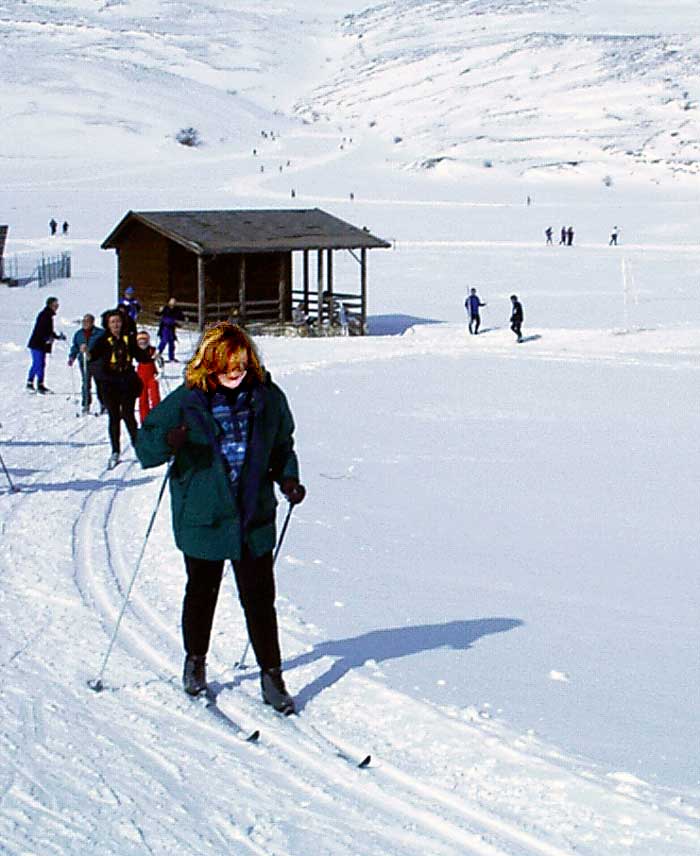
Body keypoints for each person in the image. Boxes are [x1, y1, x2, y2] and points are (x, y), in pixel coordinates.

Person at [136, 322, 306, 713]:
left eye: (242, 363)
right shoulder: (186, 401)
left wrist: (289, 478)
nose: (236, 371)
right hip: (204, 515)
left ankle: (272, 675)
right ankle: (195, 662)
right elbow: (147, 445)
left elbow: (281, 445)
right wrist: (168, 441)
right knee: (202, 592)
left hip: (253, 516)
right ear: (209, 362)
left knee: (260, 600)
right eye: (227, 364)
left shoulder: (267, 399)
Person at [86, 310, 150, 469]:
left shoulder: (128, 339)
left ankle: (138, 448)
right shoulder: (103, 340)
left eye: (118, 322)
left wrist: (150, 356)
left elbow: (140, 356)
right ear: (108, 324)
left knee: (128, 415)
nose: (116, 325)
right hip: (109, 383)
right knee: (114, 417)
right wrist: (86, 353)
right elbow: (93, 356)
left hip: (127, 381)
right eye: (113, 322)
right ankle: (115, 450)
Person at [26, 296, 65, 393]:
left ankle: (37, 384)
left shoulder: (49, 316)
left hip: (42, 344)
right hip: (37, 344)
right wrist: (47, 338)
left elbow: (49, 331)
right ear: (50, 305)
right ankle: (33, 384)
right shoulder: (44, 315)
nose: (57, 306)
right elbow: (40, 330)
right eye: (55, 304)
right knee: (38, 364)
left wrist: (57, 337)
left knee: (41, 364)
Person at [68, 313, 105, 414]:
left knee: (100, 383)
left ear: (92, 322)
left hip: (97, 362)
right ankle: (86, 405)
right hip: (84, 361)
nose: (85, 323)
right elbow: (75, 346)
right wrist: (72, 357)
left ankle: (104, 404)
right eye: (84, 321)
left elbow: (104, 347)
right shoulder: (79, 334)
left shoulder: (100, 333)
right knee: (85, 383)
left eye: (87, 321)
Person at [135, 330, 161, 425]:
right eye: (140, 341)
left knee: (155, 397)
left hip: (152, 376)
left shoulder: (152, 350)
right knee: (143, 398)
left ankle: (157, 417)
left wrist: (160, 372)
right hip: (141, 377)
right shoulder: (136, 351)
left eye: (144, 340)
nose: (142, 343)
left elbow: (160, 363)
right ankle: (144, 420)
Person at [157, 297, 184, 362]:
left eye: (174, 301)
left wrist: (185, 318)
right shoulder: (165, 308)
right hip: (165, 328)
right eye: (172, 301)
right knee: (164, 341)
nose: (173, 303)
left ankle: (171, 358)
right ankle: (157, 355)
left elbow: (181, 316)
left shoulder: (177, 309)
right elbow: (158, 314)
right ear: (169, 302)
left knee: (171, 343)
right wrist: (159, 311)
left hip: (172, 328)